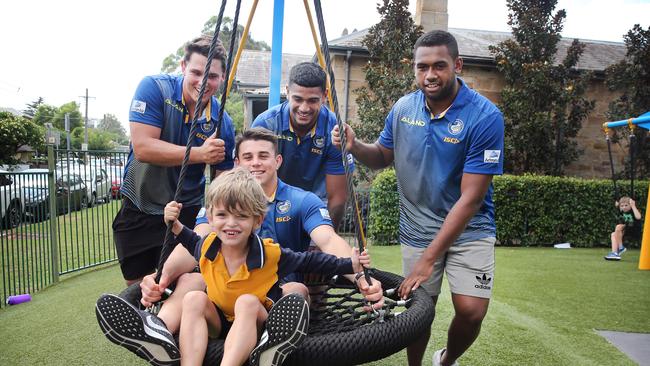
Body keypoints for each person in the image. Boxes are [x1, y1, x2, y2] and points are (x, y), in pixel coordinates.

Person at [333, 30, 504, 366]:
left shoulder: (485, 117)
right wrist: (355, 146)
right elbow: (382, 155)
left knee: (471, 312)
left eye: (439, 66)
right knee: (419, 311)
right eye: (421, 67)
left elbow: (471, 198)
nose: (430, 75)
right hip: (416, 229)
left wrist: (429, 259)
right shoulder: (402, 109)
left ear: (457, 65)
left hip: (470, 229)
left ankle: (446, 359)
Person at [96, 168, 370, 366]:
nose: (230, 224)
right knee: (193, 298)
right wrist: (174, 223)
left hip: (258, 321)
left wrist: (350, 264)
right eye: (223, 215)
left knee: (248, 303)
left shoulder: (270, 254)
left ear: (257, 220)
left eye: (241, 216)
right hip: (219, 320)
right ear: (211, 217)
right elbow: (187, 237)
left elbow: (312, 260)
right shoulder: (207, 246)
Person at [135, 128, 384, 342]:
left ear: (277, 161)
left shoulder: (301, 200)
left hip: (272, 299)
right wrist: (162, 277)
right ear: (238, 163)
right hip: (223, 301)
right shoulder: (222, 201)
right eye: (248, 157)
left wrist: (360, 277)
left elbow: (327, 240)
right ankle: (157, 333)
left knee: (296, 290)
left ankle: (274, 344)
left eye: (263, 156)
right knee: (191, 281)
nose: (255, 163)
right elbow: (196, 241)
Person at [113, 34, 236, 285]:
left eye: (212, 76)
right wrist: (200, 154)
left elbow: (222, 183)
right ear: (183, 67)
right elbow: (143, 148)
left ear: (223, 77)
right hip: (139, 205)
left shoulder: (223, 122)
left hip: (186, 212)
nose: (203, 83)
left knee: (181, 285)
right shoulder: (154, 88)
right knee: (138, 289)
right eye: (196, 72)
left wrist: (217, 220)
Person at [251, 62, 351, 228]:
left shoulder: (334, 131)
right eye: (298, 99)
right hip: (268, 204)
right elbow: (251, 180)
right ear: (287, 92)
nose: (304, 108)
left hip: (315, 209)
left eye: (312, 100)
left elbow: (337, 199)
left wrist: (324, 245)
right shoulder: (266, 124)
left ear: (325, 96)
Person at [604, 196, 642, 261]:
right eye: (622, 206)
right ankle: (615, 253)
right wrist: (617, 205)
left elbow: (638, 217)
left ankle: (621, 247)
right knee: (613, 234)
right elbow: (618, 207)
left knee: (618, 227)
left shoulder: (633, 210)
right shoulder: (622, 211)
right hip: (627, 229)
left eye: (626, 205)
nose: (624, 207)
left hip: (635, 230)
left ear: (630, 205)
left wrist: (633, 206)